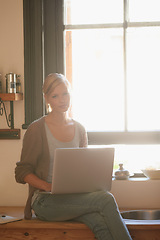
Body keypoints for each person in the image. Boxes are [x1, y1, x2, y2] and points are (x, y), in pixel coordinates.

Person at [15, 73, 132, 240]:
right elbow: (21, 172)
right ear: (47, 98)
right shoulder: (36, 129)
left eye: (65, 94)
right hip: (45, 201)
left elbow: (83, 168)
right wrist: (48, 186)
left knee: (99, 221)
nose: (62, 100)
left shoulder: (79, 129)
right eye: (55, 96)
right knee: (105, 199)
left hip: (73, 199)